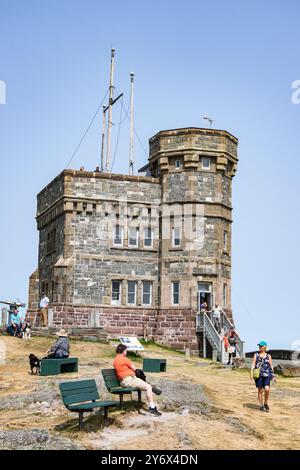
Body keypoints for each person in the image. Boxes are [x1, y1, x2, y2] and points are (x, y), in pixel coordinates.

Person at [113, 344, 162, 416]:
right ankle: (152, 407)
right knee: (148, 387)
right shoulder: (124, 359)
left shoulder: (115, 360)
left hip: (124, 381)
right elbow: (134, 369)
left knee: (146, 385)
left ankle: (151, 387)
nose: (126, 352)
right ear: (123, 351)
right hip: (129, 380)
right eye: (126, 350)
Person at [250, 341, 275, 412]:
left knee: (267, 389)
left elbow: (271, 366)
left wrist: (273, 376)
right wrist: (251, 373)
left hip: (267, 375)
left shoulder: (268, 356)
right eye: (259, 346)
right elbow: (253, 364)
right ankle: (261, 405)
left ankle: (265, 403)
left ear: (265, 347)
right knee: (260, 390)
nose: (260, 347)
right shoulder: (256, 355)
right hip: (258, 375)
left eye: (261, 346)